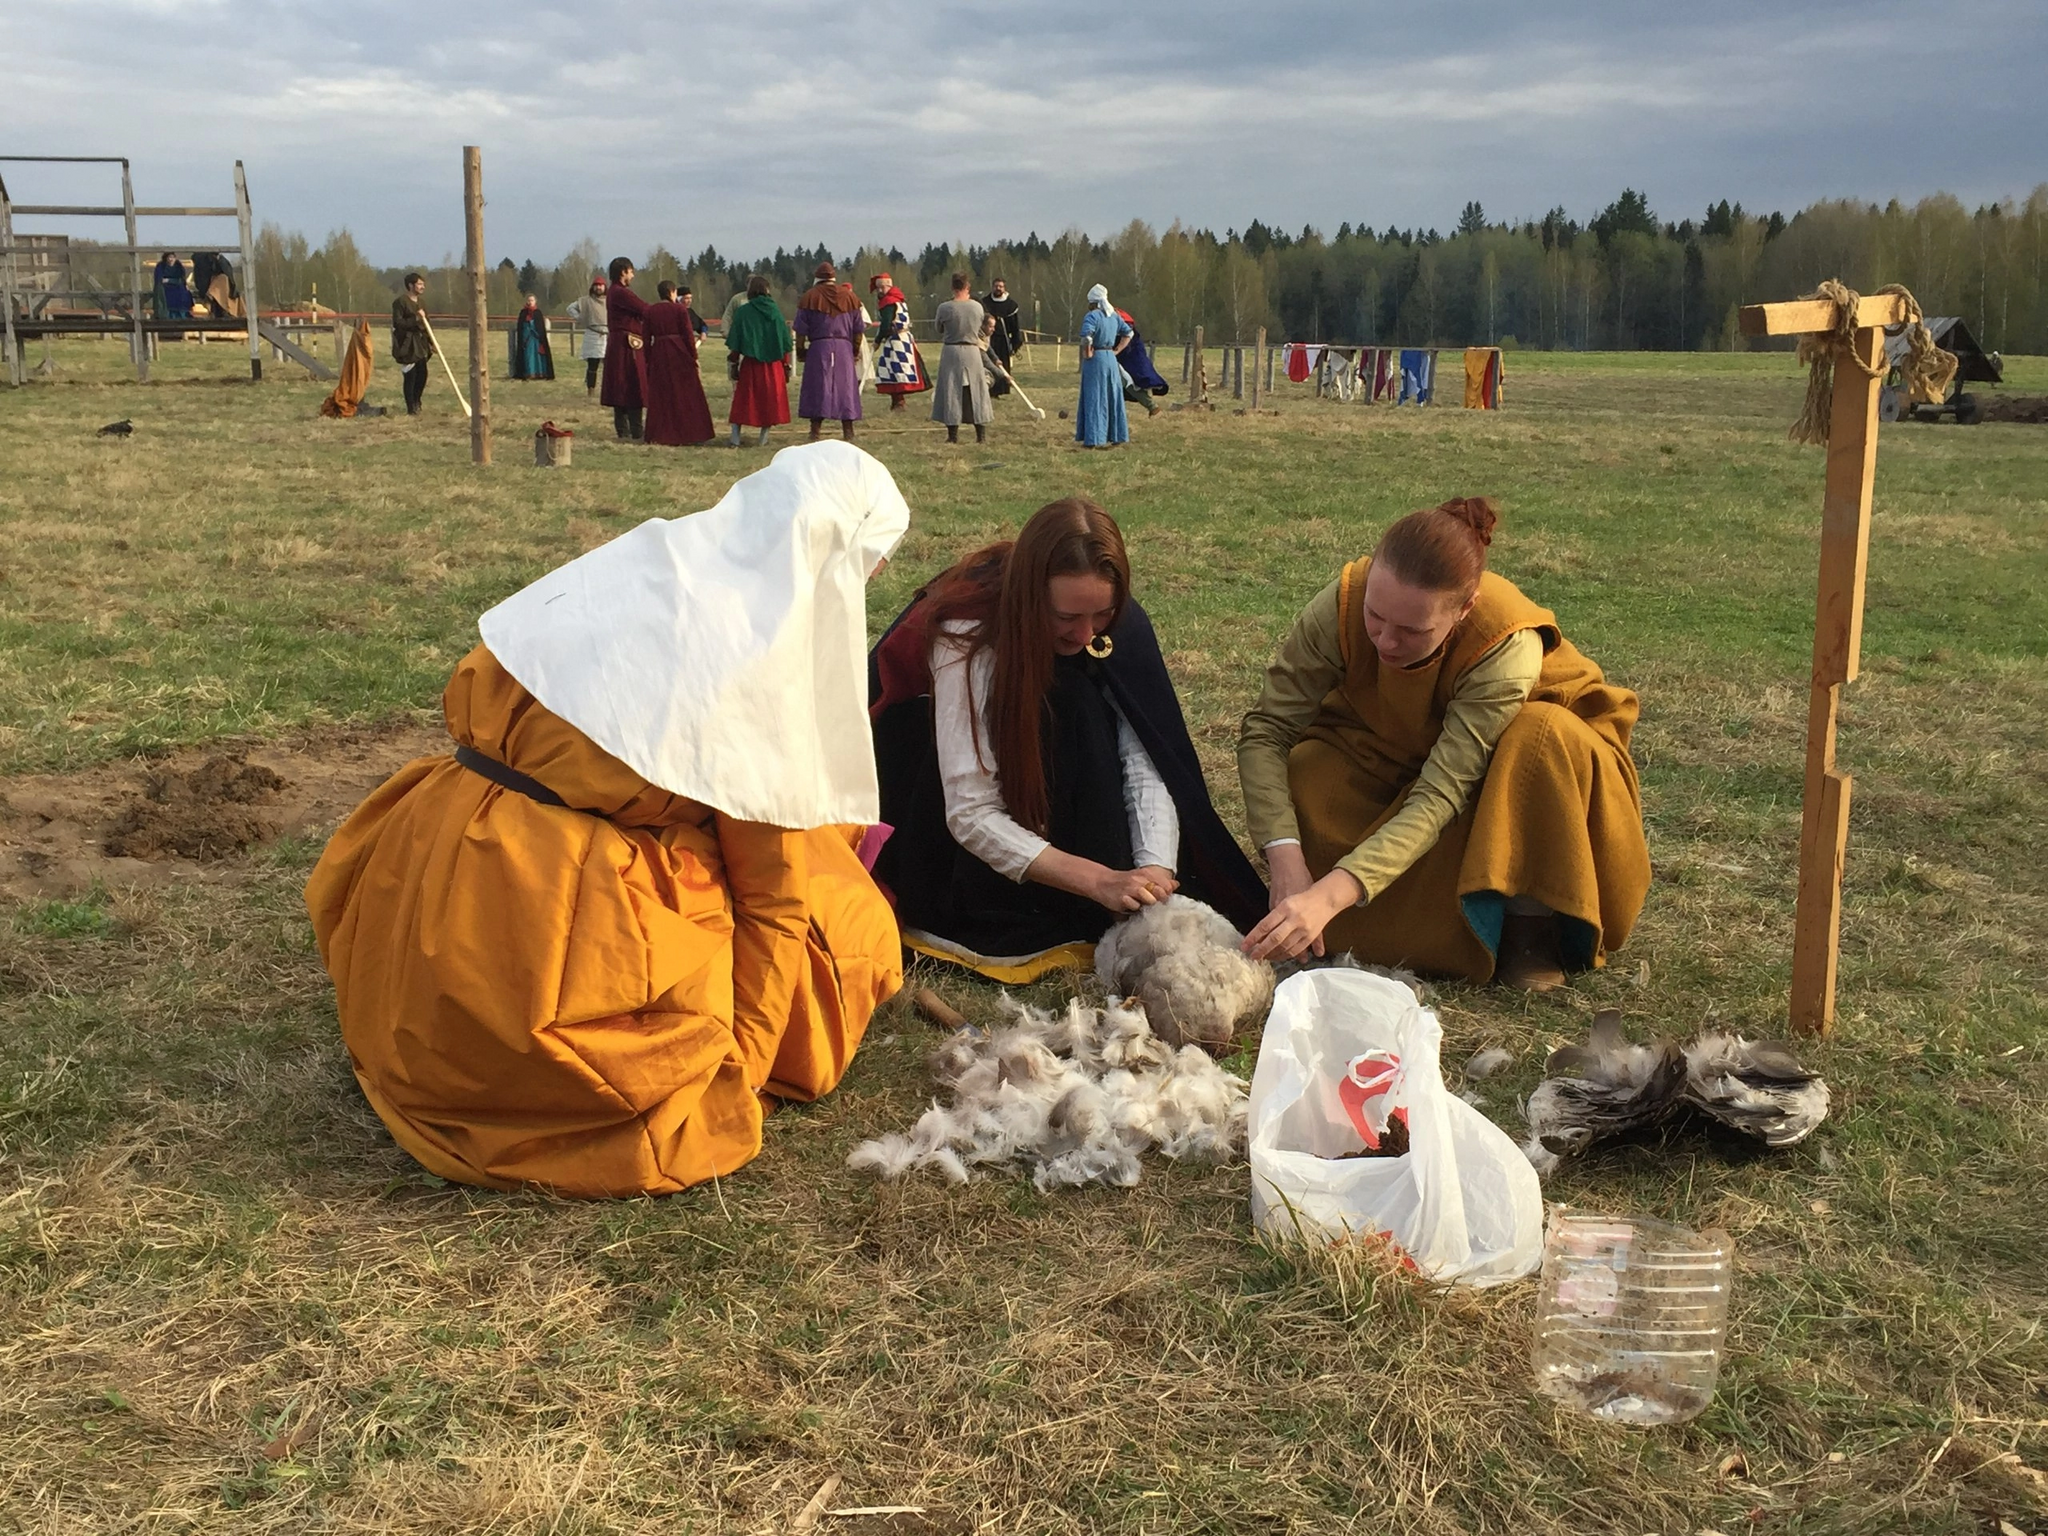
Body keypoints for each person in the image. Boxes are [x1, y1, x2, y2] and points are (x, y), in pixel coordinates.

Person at [305, 442, 913, 1198]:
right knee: (847, 925)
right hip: (551, 916)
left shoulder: (648, 565)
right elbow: (773, 893)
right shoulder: (764, 656)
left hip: (437, 854)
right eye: (873, 568)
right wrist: (740, 1070)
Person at [1235, 498, 1651, 990]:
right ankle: (1364, 913)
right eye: (1375, 617)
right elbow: (1268, 730)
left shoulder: (1506, 643)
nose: (1386, 641)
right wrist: (1286, 860)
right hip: (1394, 755)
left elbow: (1440, 794)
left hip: (1513, 786)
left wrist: (1328, 896)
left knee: (1540, 736)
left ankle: (1528, 925)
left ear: (1465, 608)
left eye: (1412, 630)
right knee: (1309, 770)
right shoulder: (1343, 601)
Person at [869, 499, 1267, 982]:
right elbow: (970, 810)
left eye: (1101, 615)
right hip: (948, 810)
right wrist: (1098, 880)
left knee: (1079, 698)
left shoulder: (1113, 621)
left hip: (1060, 781)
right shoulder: (966, 632)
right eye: (1066, 617)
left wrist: (1154, 868)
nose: (1085, 633)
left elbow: (1144, 752)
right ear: (1029, 596)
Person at [791, 262, 864, 442]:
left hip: (818, 347)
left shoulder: (809, 297)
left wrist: (801, 351)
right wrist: (854, 350)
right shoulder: (850, 297)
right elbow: (858, 329)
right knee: (845, 387)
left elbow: (800, 330)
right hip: (844, 348)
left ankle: (815, 431)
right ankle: (848, 431)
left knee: (818, 387)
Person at [643, 281, 716, 446]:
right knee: (687, 393)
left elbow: (646, 338)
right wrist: (693, 356)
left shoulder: (650, 311)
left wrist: (648, 359)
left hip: (659, 352)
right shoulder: (679, 310)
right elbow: (688, 336)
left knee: (662, 394)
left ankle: (659, 433)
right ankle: (692, 432)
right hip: (678, 352)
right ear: (671, 292)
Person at [726, 274, 793, 448]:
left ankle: (735, 438)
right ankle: (763, 439)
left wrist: (733, 362)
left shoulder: (743, 312)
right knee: (768, 402)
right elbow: (784, 342)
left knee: (743, 401)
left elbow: (736, 342)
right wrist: (786, 365)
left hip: (751, 365)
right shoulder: (776, 312)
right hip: (773, 367)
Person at [931, 273, 992, 444]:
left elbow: (938, 329)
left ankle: (953, 436)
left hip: (951, 351)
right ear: (968, 287)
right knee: (977, 391)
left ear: (952, 287)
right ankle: (981, 435)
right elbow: (980, 326)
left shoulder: (944, 307)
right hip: (972, 351)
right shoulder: (977, 307)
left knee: (951, 391)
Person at [1075, 284, 1133, 448]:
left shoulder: (1092, 316)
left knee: (1095, 397)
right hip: (1110, 359)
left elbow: (1087, 337)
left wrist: (1087, 353)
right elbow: (1129, 333)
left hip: (1097, 359)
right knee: (1113, 396)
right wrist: (1117, 350)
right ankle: (1117, 435)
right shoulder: (1114, 316)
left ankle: (1093, 438)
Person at [601, 257, 650, 441]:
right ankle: (635, 431)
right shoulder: (621, 293)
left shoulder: (614, 292)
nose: (633, 275)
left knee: (620, 386)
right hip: (627, 344)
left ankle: (624, 431)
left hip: (619, 342)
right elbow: (644, 308)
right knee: (631, 384)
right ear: (623, 272)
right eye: (631, 271)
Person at [869, 272, 929, 411]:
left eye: (882, 288)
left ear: (889, 286)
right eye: (878, 288)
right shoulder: (899, 299)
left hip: (897, 340)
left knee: (895, 370)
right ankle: (897, 401)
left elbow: (885, 325)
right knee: (893, 370)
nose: (879, 291)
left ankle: (899, 402)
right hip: (903, 339)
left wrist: (877, 340)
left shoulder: (889, 303)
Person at [392, 272, 433, 416]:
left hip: (421, 344)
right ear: (411, 285)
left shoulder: (421, 303)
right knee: (411, 376)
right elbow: (398, 323)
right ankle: (411, 407)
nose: (422, 287)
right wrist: (415, 318)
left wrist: (432, 342)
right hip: (407, 344)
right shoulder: (400, 302)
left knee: (422, 374)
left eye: (423, 284)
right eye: (419, 284)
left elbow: (427, 323)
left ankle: (417, 401)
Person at [1116, 308, 1169, 417]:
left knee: (1133, 380)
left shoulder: (1118, 317)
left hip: (1129, 352)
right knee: (1128, 381)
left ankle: (1153, 407)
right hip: (1123, 353)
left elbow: (1127, 333)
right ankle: (1152, 408)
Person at [571, 273, 607, 400]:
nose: (599, 288)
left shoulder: (610, 300)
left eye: (601, 285)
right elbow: (571, 308)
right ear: (593, 287)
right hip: (593, 334)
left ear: (605, 287)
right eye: (596, 285)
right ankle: (590, 389)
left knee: (610, 365)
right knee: (593, 365)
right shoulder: (586, 301)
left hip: (608, 335)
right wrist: (581, 318)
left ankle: (608, 391)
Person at [509, 295, 555, 381]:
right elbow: (521, 326)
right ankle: (528, 373)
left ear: (535, 301)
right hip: (527, 338)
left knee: (538, 355)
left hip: (537, 339)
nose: (530, 302)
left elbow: (540, 327)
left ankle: (540, 373)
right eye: (529, 300)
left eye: (532, 300)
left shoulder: (538, 313)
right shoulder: (523, 313)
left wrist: (537, 332)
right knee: (528, 355)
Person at [983, 276, 1023, 370]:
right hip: (987, 341)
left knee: (1003, 369)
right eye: (996, 286)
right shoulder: (984, 303)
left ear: (1004, 288)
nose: (998, 288)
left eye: (1000, 286)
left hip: (1003, 343)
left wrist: (1015, 345)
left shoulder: (1011, 306)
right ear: (992, 287)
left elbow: (1015, 327)